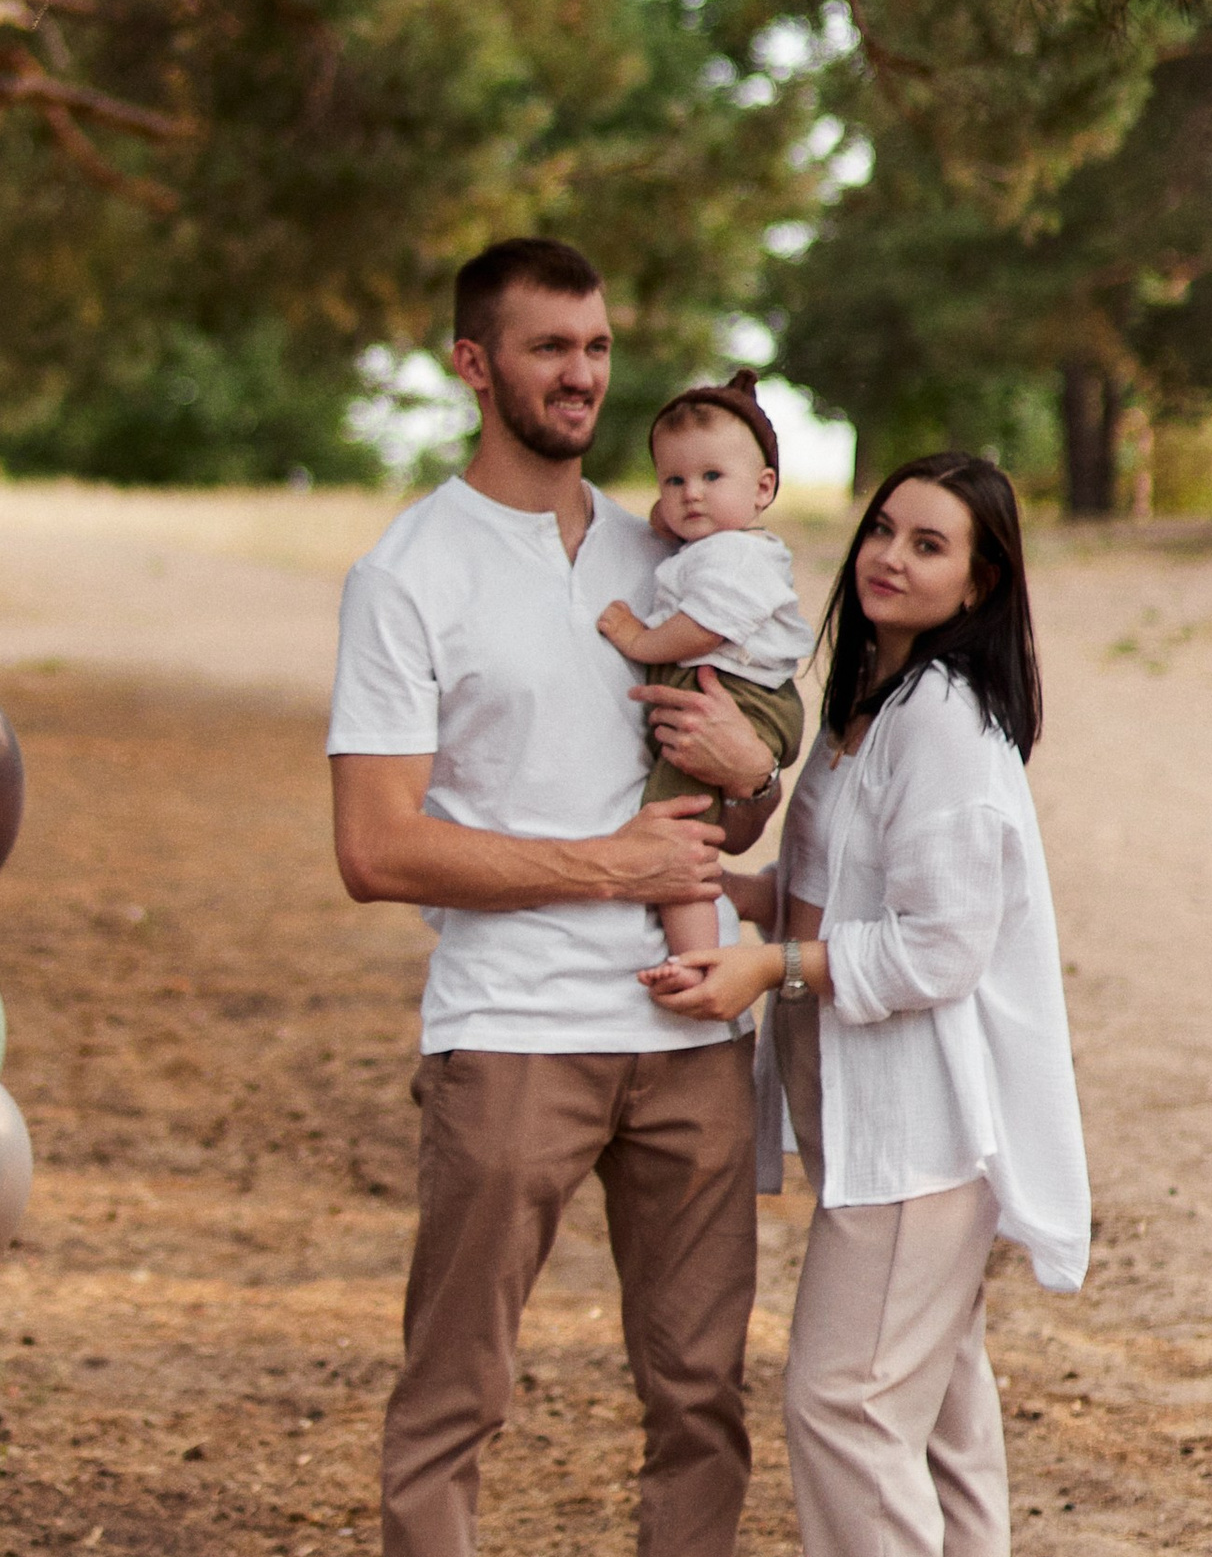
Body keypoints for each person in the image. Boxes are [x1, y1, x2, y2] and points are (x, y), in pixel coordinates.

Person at [327, 237, 785, 1557]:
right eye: (548, 348)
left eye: (596, 347)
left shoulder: (681, 554)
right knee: (454, 1397)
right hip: (513, 1031)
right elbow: (374, 849)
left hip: (691, 1026)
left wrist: (753, 773)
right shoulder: (410, 573)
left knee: (701, 1400)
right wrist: (606, 867)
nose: (581, 375)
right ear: (473, 364)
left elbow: (727, 810)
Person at [645, 452, 1089, 1557]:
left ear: (980, 583)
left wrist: (768, 970)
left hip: (919, 1132)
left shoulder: (941, 720)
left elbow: (941, 947)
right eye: (884, 529)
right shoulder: (870, 704)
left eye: (928, 545)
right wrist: (733, 890)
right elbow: (842, 884)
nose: (889, 557)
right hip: (874, 1121)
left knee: (843, 1404)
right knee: (936, 1407)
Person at [596, 371, 812, 963]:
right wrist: (673, 513)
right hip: (733, 691)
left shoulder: (737, 556)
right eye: (675, 480)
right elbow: (668, 521)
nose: (691, 494)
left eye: (712, 477)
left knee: (674, 829)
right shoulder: (716, 545)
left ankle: (695, 959)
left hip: (740, 697)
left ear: (763, 488)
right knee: (682, 824)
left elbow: (703, 628)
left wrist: (640, 640)